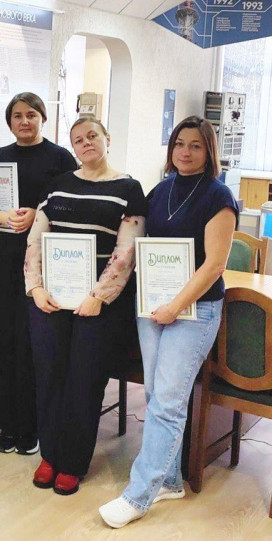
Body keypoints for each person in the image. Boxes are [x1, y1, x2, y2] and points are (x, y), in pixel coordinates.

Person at [99, 116, 238, 528]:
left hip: (194, 311)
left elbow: (214, 265)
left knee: (168, 403)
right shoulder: (160, 191)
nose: (185, 152)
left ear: (208, 151)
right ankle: (171, 480)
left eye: (195, 145)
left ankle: (138, 495)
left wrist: (175, 306)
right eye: (179, 143)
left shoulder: (219, 197)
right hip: (154, 306)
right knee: (157, 395)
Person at [24, 118, 147, 496]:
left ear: (107, 138)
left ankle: (73, 462)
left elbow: (126, 252)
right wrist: (35, 287)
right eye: (78, 140)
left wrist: (98, 296)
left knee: (85, 380)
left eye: (92, 136)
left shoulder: (129, 189)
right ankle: (50, 454)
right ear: (73, 147)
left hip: (98, 304)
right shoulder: (57, 185)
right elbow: (35, 240)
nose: (86, 143)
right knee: (49, 375)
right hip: (51, 300)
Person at [0, 92, 77, 455]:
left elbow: (71, 202)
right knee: (3, 338)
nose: (24, 121)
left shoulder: (60, 158)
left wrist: (39, 213)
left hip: (44, 261)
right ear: (10, 122)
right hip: (3, 258)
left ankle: (32, 424)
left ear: (43, 119)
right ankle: (7, 422)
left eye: (31, 114)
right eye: (17, 116)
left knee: (33, 341)